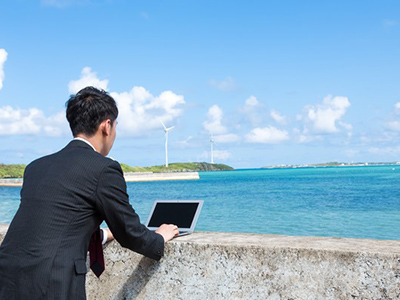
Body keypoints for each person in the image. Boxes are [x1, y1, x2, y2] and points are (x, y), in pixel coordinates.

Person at [0, 86, 179, 299]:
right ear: (107, 126)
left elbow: (54, 224)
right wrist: (159, 238)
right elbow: (129, 231)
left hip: (8, 277)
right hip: (52, 285)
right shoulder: (103, 168)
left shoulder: (36, 167)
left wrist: (104, 233)